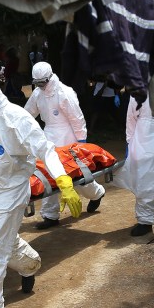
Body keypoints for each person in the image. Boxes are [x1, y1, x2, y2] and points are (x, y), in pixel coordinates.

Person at [0, 73, 83, 308]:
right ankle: (29, 265)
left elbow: (45, 150)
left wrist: (63, 181)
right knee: (3, 237)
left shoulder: (16, 119)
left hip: (13, 188)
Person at [24, 62, 105, 229]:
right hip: (48, 137)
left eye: (42, 83)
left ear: (50, 77)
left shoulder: (64, 93)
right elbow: (27, 114)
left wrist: (81, 143)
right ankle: (50, 215)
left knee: (76, 176)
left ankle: (96, 194)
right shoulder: (38, 94)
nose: (40, 86)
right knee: (48, 174)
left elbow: (77, 119)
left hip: (68, 137)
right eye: (37, 83)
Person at [113, 93, 154, 237]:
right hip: (140, 134)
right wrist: (129, 141)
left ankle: (146, 221)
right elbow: (131, 117)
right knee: (140, 176)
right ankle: (145, 217)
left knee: (152, 177)